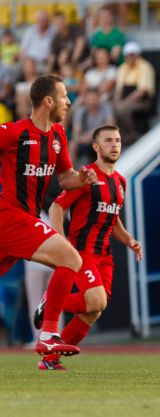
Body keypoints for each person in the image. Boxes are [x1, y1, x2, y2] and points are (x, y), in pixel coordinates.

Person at [0, 74, 98, 360]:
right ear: (48, 101)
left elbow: (65, 178)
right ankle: (48, 335)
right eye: (65, 96)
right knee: (70, 258)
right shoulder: (13, 132)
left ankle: (47, 334)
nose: (69, 101)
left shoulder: (57, 136)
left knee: (68, 259)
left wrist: (82, 178)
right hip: (11, 217)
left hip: (23, 221)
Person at [37, 124, 142, 370]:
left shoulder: (120, 182)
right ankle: (50, 302)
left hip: (105, 254)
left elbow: (112, 217)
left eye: (117, 140)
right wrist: (60, 243)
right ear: (95, 147)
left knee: (94, 311)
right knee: (95, 301)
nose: (114, 145)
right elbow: (56, 207)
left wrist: (129, 240)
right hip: (82, 252)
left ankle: (50, 359)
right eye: (108, 141)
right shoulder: (86, 177)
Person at [113, 42, 155, 145]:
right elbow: (119, 89)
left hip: (142, 100)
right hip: (126, 97)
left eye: (132, 55)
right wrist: (117, 102)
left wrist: (124, 103)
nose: (130, 57)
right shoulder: (123, 67)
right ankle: (117, 135)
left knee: (123, 110)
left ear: (137, 55)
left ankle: (130, 135)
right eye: (128, 55)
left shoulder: (145, 66)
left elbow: (142, 91)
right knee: (112, 108)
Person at [71, 87, 115, 166]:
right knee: (72, 145)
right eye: (90, 98)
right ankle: (70, 172)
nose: (92, 101)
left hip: (101, 138)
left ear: (99, 98)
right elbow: (76, 132)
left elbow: (111, 125)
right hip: (86, 141)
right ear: (86, 99)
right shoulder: (81, 111)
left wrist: (93, 133)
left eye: (95, 98)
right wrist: (81, 139)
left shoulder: (106, 107)